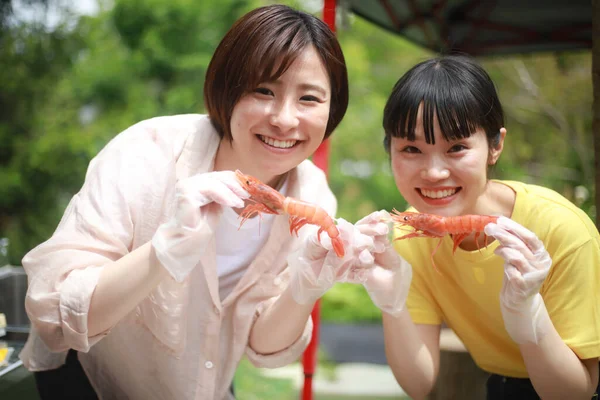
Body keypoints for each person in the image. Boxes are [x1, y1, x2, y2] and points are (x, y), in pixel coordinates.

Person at [18, 5, 386, 400]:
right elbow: (52, 313)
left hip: (201, 383)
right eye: (264, 90)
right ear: (226, 87)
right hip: (93, 379)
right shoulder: (145, 152)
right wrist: (161, 253)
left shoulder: (313, 195)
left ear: (333, 109)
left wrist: (305, 286)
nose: (284, 119)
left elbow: (263, 347)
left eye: (309, 98)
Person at [350, 55, 600, 399]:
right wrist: (390, 303)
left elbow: (577, 392)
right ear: (389, 150)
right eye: (411, 148)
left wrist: (531, 317)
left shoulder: (561, 229)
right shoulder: (410, 233)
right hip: (501, 385)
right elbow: (419, 383)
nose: (434, 172)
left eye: (457, 148)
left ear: (495, 146)